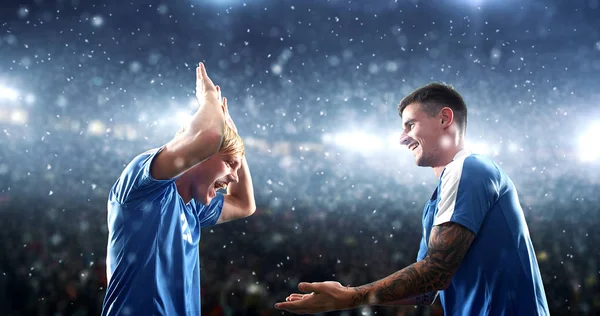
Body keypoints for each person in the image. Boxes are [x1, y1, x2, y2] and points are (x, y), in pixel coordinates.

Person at [275, 83, 549, 315]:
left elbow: (435, 272)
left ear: (444, 119)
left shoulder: (470, 168)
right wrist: (344, 294)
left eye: (410, 125)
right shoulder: (437, 201)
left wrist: (350, 297)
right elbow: (426, 291)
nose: (401, 138)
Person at [102, 62, 256, 315]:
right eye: (229, 165)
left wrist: (234, 142)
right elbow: (208, 137)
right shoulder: (144, 188)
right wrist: (208, 98)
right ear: (201, 156)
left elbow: (244, 204)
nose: (234, 178)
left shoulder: (193, 207)